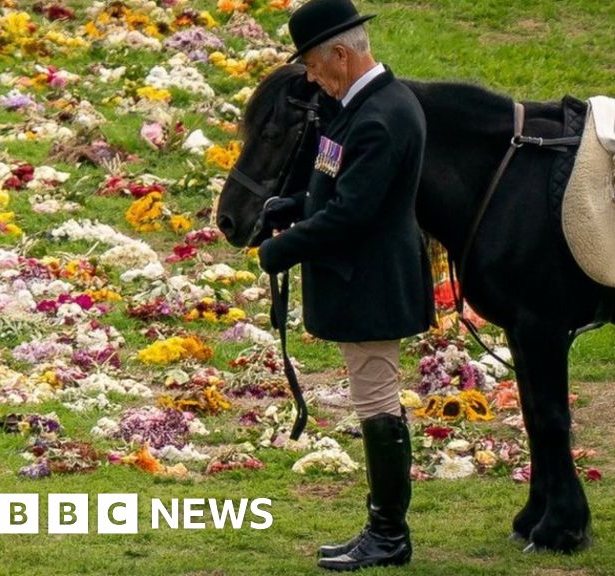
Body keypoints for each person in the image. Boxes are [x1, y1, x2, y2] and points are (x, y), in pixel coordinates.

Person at [257, 0, 434, 570]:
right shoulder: (359, 107)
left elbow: (353, 215)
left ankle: (388, 534)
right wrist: (294, 205)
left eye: (311, 65)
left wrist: (282, 248)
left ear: (339, 54)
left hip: (373, 281)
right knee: (371, 399)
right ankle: (383, 530)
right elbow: (336, 185)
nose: (309, 77)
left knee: (378, 403)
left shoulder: (382, 117)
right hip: (363, 276)